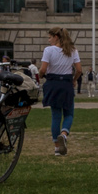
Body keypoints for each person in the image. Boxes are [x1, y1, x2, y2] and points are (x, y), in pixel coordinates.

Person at [38, 26, 81, 156]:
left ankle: (57, 147)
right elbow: (79, 70)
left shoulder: (48, 50)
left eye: (50, 37)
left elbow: (43, 70)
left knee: (55, 116)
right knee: (69, 113)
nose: (49, 40)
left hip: (53, 83)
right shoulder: (73, 50)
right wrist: (74, 80)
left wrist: (40, 75)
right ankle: (64, 133)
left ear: (56, 37)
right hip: (66, 83)